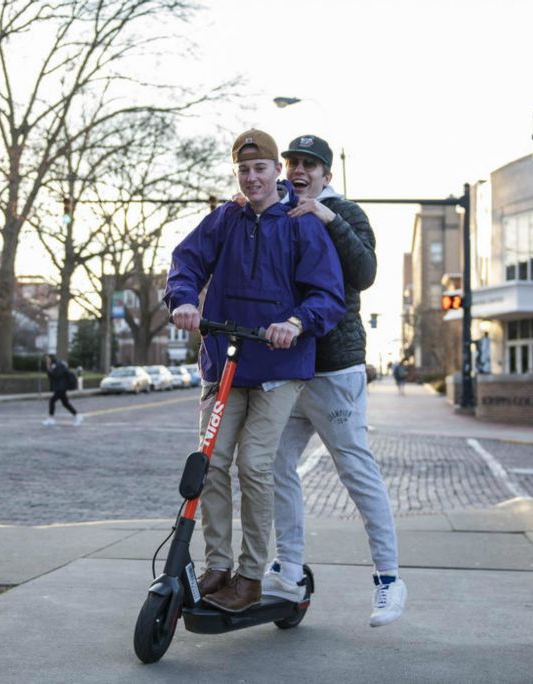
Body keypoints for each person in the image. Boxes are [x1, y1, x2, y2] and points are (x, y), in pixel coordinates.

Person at [164, 129, 345, 613]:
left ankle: (250, 576)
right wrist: (182, 300)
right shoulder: (224, 218)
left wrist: (295, 322)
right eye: (244, 170)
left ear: (275, 172)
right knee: (210, 465)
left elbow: (328, 295)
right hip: (225, 361)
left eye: (260, 168)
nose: (252, 177)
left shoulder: (300, 222)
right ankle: (218, 565)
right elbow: (185, 261)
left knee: (255, 465)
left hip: (278, 368)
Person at [266, 134, 406, 627]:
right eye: (293, 163)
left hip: (335, 366)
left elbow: (365, 272)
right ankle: (288, 568)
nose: (299, 170)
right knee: (275, 464)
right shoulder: (276, 212)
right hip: (288, 365)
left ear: (326, 174)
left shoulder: (346, 212)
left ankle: (389, 579)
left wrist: (330, 218)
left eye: (310, 164)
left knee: (355, 469)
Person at [43, 354, 82, 426]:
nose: (46, 360)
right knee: (65, 404)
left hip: (61, 387)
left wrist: (49, 368)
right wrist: (48, 368)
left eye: (47, 359)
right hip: (60, 387)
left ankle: (51, 419)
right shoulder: (54, 365)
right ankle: (77, 416)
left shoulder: (58, 365)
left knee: (52, 401)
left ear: (51, 358)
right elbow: (51, 375)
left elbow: (55, 375)